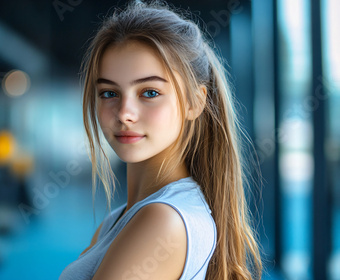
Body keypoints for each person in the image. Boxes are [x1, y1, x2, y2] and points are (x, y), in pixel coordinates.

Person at [60, 1, 262, 279]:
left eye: (150, 92)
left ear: (195, 101)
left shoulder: (163, 220)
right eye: (109, 93)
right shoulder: (120, 219)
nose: (124, 113)